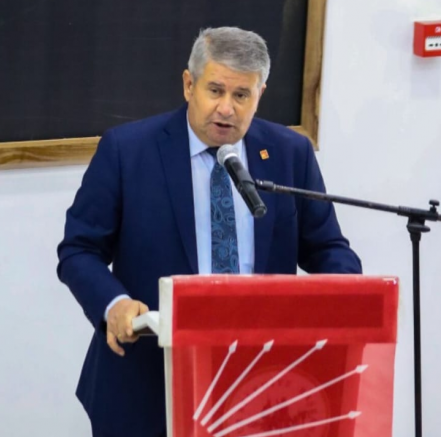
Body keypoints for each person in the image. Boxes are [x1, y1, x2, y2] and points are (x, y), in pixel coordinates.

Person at [56, 26, 362, 437]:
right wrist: (114, 304)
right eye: (215, 90)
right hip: (149, 378)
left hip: (261, 379)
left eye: (242, 95)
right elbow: (79, 249)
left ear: (260, 94)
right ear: (189, 85)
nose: (227, 109)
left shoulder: (289, 153)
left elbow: (328, 248)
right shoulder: (128, 150)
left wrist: (346, 297)